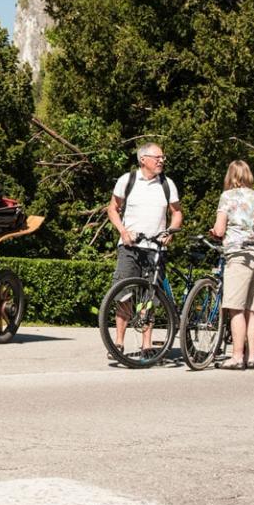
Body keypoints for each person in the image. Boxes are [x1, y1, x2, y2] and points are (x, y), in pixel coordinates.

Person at [106, 143, 182, 357]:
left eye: (163, 157)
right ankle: (118, 343)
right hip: (130, 247)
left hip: (155, 249)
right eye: (157, 157)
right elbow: (112, 208)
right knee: (123, 295)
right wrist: (122, 230)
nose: (161, 160)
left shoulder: (167, 184)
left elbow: (176, 213)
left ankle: (146, 345)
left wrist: (170, 231)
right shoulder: (127, 180)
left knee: (150, 297)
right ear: (143, 159)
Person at [209, 160, 254, 369]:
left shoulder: (228, 197)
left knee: (235, 309)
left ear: (230, 176)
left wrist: (214, 233)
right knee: (252, 310)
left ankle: (237, 356)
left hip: (238, 254)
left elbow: (220, 229)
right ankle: (252, 357)